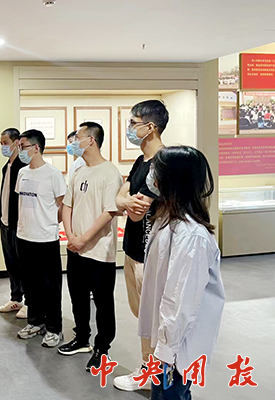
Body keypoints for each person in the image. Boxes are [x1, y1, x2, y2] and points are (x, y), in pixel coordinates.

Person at [140, 146, 225, 399]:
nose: (151, 176)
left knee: (170, 394)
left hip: (177, 348)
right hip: (168, 343)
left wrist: (166, 350)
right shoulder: (167, 221)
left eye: (156, 170)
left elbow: (180, 301)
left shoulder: (191, 236)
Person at [57, 122, 123, 371]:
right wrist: (71, 236)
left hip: (99, 250)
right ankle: (82, 338)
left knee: (103, 303)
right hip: (76, 248)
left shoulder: (110, 173)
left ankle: (102, 349)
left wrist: (84, 238)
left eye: (78, 137)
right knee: (78, 297)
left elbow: (109, 212)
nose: (74, 141)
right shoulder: (79, 171)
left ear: (91, 140)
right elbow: (67, 205)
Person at [114, 100, 169, 391]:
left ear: (150, 127)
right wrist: (124, 199)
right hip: (133, 249)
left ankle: (153, 373)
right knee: (142, 315)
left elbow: (137, 210)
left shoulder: (163, 163)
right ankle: (150, 369)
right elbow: (122, 193)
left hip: (150, 252)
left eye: (133, 123)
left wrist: (124, 201)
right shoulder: (141, 161)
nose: (129, 128)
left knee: (152, 319)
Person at [15, 129, 66, 348]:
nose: (20, 150)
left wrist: (51, 222)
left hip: (45, 238)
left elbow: (63, 204)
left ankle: (54, 328)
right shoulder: (22, 173)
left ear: (36, 148)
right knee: (30, 284)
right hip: (24, 236)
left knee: (50, 286)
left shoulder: (53, 174)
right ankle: (35, 322)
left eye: (23, 146)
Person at [0, 128, 28, 319]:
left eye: (6, 143)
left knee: (24, 264)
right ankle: (16, 298)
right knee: (11, 263)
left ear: (17, 143)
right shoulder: (6, 167)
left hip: (18, 224)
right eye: (1, 143)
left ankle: (30, 301)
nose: (3, 147)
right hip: (5, 222)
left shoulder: (23, 168)